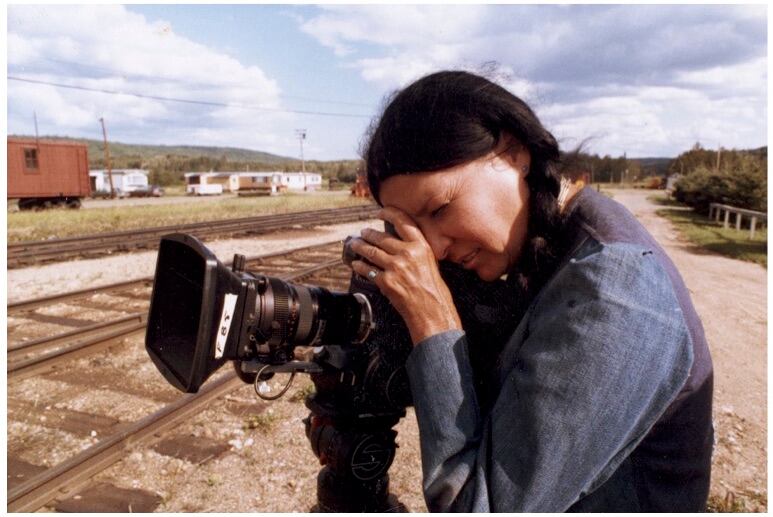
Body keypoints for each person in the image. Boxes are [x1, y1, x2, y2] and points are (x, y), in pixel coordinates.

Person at [347, 70, 713, 512]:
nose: (437, 248)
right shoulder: (558, 244)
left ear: (513, 152)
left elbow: (477, 506)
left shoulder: (612, 290)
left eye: (441, 209)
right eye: (415, 231)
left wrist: (432, 320)